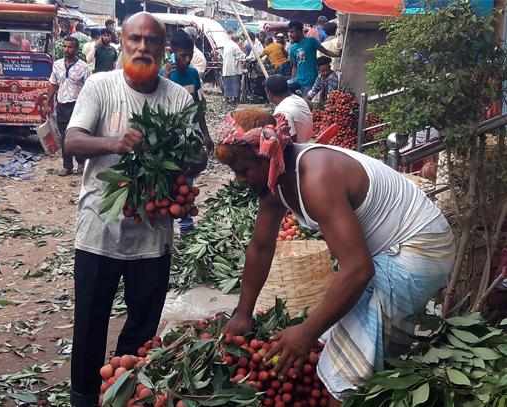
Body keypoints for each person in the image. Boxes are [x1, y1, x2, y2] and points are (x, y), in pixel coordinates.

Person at [215, 107, 454, 406]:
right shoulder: (277, 177)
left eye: (243, 170)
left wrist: (307, 330)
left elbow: (357, 269)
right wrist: (242, 313)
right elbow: (261, 246)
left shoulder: (316, 179)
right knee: (345, 342)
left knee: (341, 375)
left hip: (417, 248)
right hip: (387, 252)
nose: (239, 180)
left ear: (269, 154)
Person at [64, 12, 207, 407]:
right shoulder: (99, 86)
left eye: (151, 41)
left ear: (163, 49)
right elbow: (72, 142)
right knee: (90, 323)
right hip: (99, 228)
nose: (142, 46)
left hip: (153, 233)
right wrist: (114, 143)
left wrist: (183, 157)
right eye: (135, 39)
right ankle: (84, 397)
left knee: (143, 324)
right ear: (121, 43)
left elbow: (199, 157)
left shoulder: (177, 97)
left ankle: (126, 394)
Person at [160, 31, 214, 233]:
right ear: (172, 52)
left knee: (187, 177)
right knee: (168, 177)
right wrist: (163, 81)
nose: (187, 59)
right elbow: (155, 106)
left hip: (189, 134)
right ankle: (164, 222)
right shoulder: (162, 74)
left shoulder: (192, 74)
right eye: (183, 55)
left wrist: (206, 134)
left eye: (190, 55)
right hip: (167, 136)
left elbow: (198, 106)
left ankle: (185, 222)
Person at [46, 36, 91, 176]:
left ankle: (81, 163)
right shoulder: (58, 65)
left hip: (78, 106)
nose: (66, 49)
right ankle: (67, 166)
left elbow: (90, 89)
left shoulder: (84, 67)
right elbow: (54, 84)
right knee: (64, 136)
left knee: (77, 135)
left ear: (76, 50)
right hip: (62, 104)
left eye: (70, 47)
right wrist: (48, 102)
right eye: (65, 46)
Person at [288, 20, 340, 98]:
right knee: (283, 87)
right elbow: (294, 66)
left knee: (306, 105)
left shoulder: (311, 41)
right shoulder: (293, 47)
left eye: (292, 32)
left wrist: (337, 54)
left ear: (299, 31)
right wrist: (293, 83)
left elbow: (325, 51)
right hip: (298, 79)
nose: (290, 35)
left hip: (309, 81)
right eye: (290, 32)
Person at [265, 74, 312, 143]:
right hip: (308, 144)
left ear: (269, 93)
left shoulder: (282, 111)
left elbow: (290, 143)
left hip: (299, 150)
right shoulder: (299, 99)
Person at [221, 33, 246, 105]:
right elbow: (241, 54)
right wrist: (245, 56)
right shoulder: (235, 46)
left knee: (227, 85)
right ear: (237, 39)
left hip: (226, 68)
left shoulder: (227, 45)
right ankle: (237, 101)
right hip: (233, 69)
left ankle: (226, 100)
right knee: (236, 84)